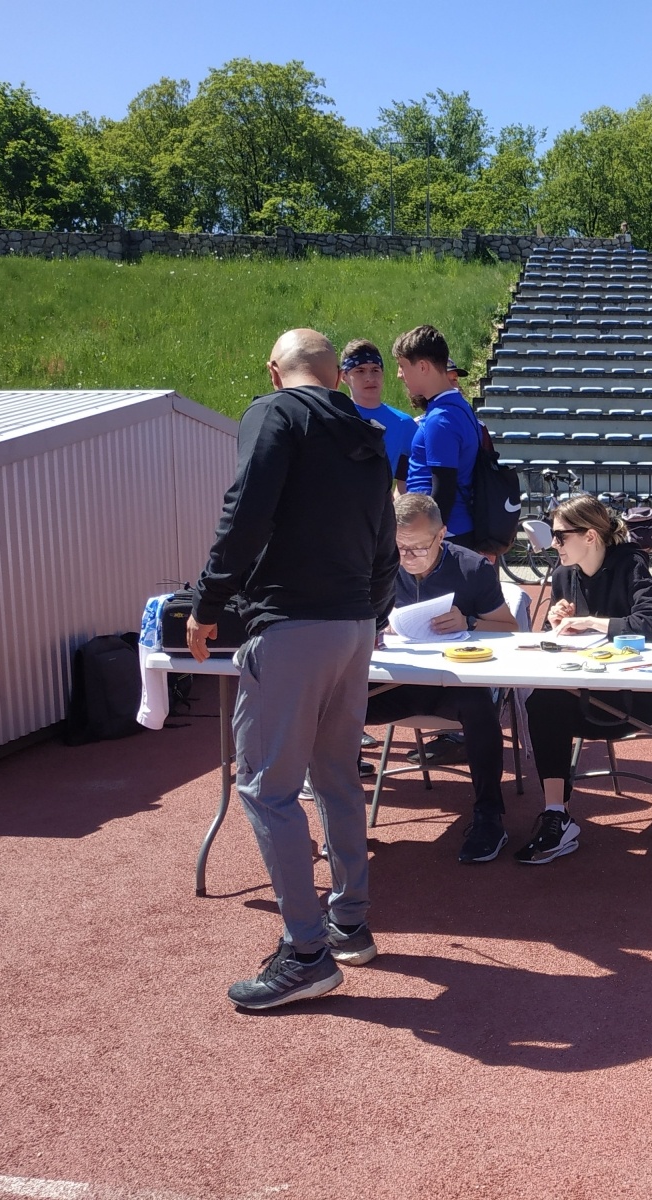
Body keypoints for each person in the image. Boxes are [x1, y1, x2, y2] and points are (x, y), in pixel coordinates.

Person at [188, 328, 398, 1009]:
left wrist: (206, 602)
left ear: (273, 372)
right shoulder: (366, 432)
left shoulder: (273, 413)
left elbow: (244, 510)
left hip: (291, 623)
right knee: (336, 778)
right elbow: (385, 540)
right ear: (337, 375)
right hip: (352, 626)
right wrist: (368, 613)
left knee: (266, 789)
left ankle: (306, 953)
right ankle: (348, 924)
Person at [365, 492, 521, 862]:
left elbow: (510, 627)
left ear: (442, 536)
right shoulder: (379, 563)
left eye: (418, 547)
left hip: (451, 686)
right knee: (331, 702)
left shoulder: (472, 567)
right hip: (394, 681)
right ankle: (340, 818)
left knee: (480, 705)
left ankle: (488, 815)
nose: (407, 557)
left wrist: (468, 621)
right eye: (400, 547)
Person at [516, 494, 652, 864]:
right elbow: (559, 638)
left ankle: (556, 816)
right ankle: (556, 815)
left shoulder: (630, 564)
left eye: (560, 536)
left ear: (589, 536)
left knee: (547, 703)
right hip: (585, 688)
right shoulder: (564, 575)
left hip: (636, 696)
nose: (553, 545)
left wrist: (591, 621)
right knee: (541, 701)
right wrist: (559, 621)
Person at [394, 325, 482, 549]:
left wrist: (425, 544)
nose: (399, 374)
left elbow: (443, 490)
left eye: (403, 366)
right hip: (454, 531)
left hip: (445, 537)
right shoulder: (459, 407)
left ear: (422, 366)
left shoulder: (440, 419)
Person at [340, 338, 416, 489]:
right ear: (344, 377)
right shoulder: (336, 417)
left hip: (381, 509)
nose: (369, 378)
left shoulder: (403, 424)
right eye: (360, 371)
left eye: (375, 370)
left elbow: (410, 480)